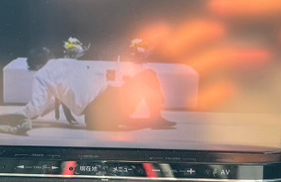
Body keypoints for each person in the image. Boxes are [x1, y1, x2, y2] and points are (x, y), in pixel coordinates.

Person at [19, 47, 176, 131]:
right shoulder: (68, 63)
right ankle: (154, 118)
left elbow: (38, 106)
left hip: (96, 115)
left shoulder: (42, 74)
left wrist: (20, 114)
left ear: (35, 65)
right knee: (149, 75)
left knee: (123, 113)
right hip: (107, 103)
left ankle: (139, 120)